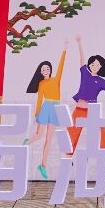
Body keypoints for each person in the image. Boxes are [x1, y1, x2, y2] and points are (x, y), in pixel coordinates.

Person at [68, 37, 105, 151]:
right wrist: (79, 42)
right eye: (93, 64)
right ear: (89, 65)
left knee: (101, 128)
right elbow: (81, 59)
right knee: (71, 132)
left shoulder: (100, 81)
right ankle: (68, 156)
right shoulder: (85, 73)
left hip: (92, 110)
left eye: (98, 65)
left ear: (100, 67)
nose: (95, 67)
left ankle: (104, 153)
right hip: (79, 109)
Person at [27, 43, 67, 179]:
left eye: (47, 68)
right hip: (46, 108)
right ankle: (25, 143)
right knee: (39, 135)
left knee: (49, 140)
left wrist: (64, 50)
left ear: (50, 70)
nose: (46, 70)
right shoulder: (41, 83)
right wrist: (36, 115)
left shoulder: (56, 79)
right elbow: (39, 100)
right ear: (41, 71)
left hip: (55, 108)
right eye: (43, 69)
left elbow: (61, 66)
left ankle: (42, 166)